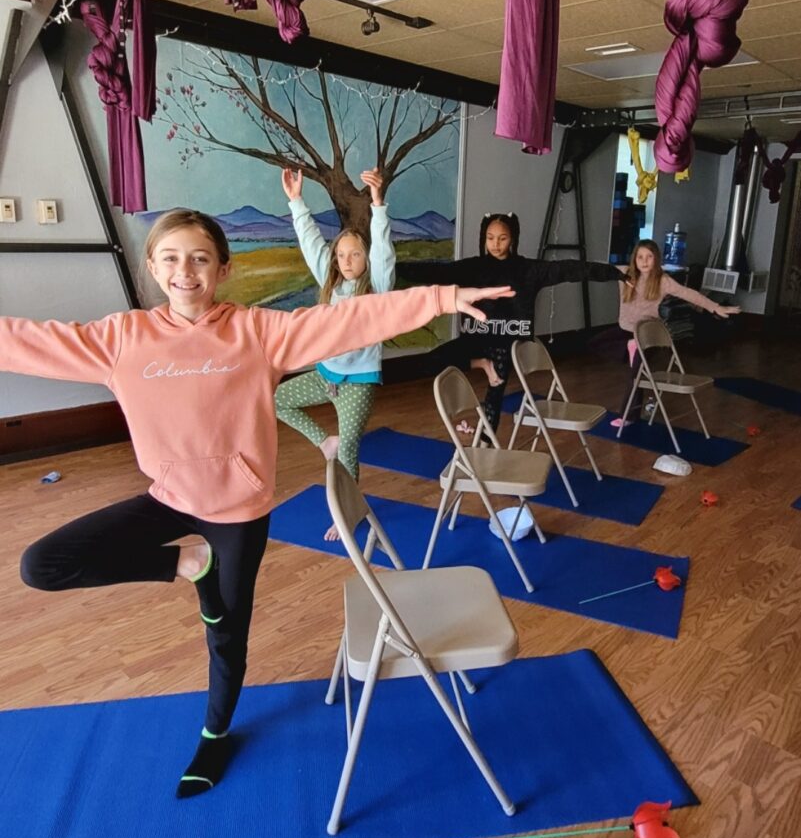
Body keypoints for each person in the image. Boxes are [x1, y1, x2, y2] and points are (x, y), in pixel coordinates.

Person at [0, 208, 512, 798]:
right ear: (151, 267)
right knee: (41, 565)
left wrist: (441, 297)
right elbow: (30, 341)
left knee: (226, 635)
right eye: (170, 258)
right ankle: (186, 565)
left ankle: (215, 734)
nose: (184, 271)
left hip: (239, 510)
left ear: (222, 267)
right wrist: (175, 559)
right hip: (169, 499)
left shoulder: (258, 332)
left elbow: (349, 319)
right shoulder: (121, 340)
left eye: (199, 258)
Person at [397, 212, 625, 435]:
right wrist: (392, 268)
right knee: (431, 361)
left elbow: (570, 269)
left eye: (502, 238)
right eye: (490, 238)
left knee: (496, 384)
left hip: (511, 343)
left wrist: (615, 272)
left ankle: (486, 440)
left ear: (513, 239)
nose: (495, 244)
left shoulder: (529, 270)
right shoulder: (472, 267)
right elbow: (435, 271)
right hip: (476, 340)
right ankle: (480, 363)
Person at [275, 167, 393, 540]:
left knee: (349, 454)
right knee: (276, 399)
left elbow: (385, 252)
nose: (346, 259)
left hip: (358, 384)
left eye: (354, 253)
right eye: (341, 254)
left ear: (365, 258)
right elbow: (311, 242)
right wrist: (296, 201)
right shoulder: (331, 285)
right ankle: (325, 441)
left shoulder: (375, 290)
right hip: (326, 376)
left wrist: (378, 204)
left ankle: (347, 515)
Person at [613, 238, 740, 426]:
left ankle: (629, 417)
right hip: (625, 330)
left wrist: (715, 307)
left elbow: (688, 293)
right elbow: (599, 270)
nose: (644, 261)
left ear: (656, 259)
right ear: (634, 259)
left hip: (647, 334)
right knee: (595, 343)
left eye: (649, 256)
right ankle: (629, 348)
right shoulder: (625, 274)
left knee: (636, 374)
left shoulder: (662, 281)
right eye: (640, 257)